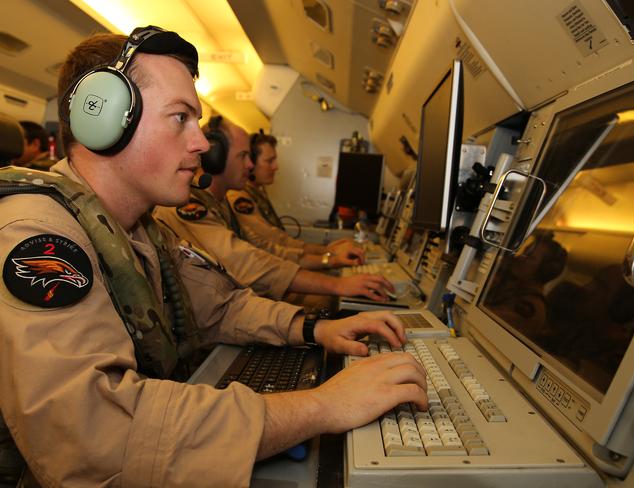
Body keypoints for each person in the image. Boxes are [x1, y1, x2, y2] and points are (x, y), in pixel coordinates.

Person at [0, 27, 427, 487]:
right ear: (100, 120)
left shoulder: (143, 230)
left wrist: (316, 327)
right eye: (180, 117)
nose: (203, 144)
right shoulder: (37, 236)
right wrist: (323, 405)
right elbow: (94, 438)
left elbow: (221, 304)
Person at [153, 118, 395, 304]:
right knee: (327, 303)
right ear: (215, 158)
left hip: (237, 304)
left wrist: (328, 256)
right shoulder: (190, 205)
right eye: (244, 156)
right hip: (223, 316)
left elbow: (265, 246)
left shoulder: (220, 202)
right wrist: (334, 279)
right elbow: (248, 262)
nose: (250, 165)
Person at [226, 129, 363, 269]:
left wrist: (328, 250)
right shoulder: (239, 198)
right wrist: (328, 253)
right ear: (251, 164)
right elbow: (274, 241)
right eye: (269, 161)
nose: (276, 167)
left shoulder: (256, 192)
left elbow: (281, 240)